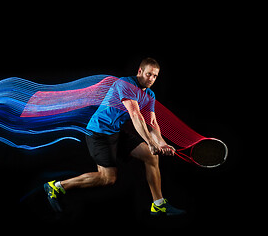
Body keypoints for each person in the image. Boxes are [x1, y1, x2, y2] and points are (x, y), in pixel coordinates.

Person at [44, 57, 185, 216]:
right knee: (108, 178)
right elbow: (135, 115)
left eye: (155, 76)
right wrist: (152, 143)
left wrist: (162, 144)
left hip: (115, 132)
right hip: (98, 132)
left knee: (151, 157)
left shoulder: (150, 94)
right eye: (148, 74)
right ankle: (57, 186)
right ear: (140, 71)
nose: (151, 79)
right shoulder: (125, 84)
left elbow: (152, 122)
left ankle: (158, 205)